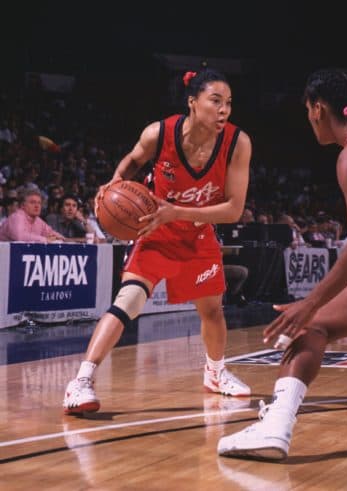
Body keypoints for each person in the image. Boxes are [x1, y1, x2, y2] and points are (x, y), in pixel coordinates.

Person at [218, 67, 347, 460]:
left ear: (318, 108)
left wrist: (310, 302)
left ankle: (276, 428)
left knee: (311, 324)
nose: (308, 119)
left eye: (307, 110)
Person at [63, 68, 253, 414]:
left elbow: (234, 209)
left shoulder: (238, 143)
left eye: (228, 103)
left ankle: (215, 372)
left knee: (212, 311)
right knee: (129, 300)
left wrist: (176, 212)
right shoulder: (158, 133)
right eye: (216, 101)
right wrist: (112, 185)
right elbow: (133, 162)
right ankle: (81, 381)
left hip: (197, 234)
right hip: (155, 230)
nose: (224, 109)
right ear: (193, 103)